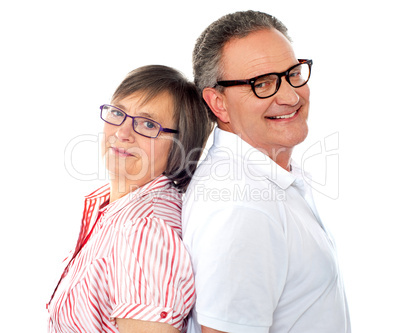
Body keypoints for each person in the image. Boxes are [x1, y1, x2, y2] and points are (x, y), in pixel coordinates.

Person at [182, 10, 351, 333]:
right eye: (263, 84)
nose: (290, 96)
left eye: (293, 73)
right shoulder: (241, 206)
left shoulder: (268, 176)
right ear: (218, 103)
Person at [47, 65, 211, 333]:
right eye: (117, 112)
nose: (122, 133)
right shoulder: (113, 209)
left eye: (148, 124)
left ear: (181, 145)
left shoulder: (142, 230)